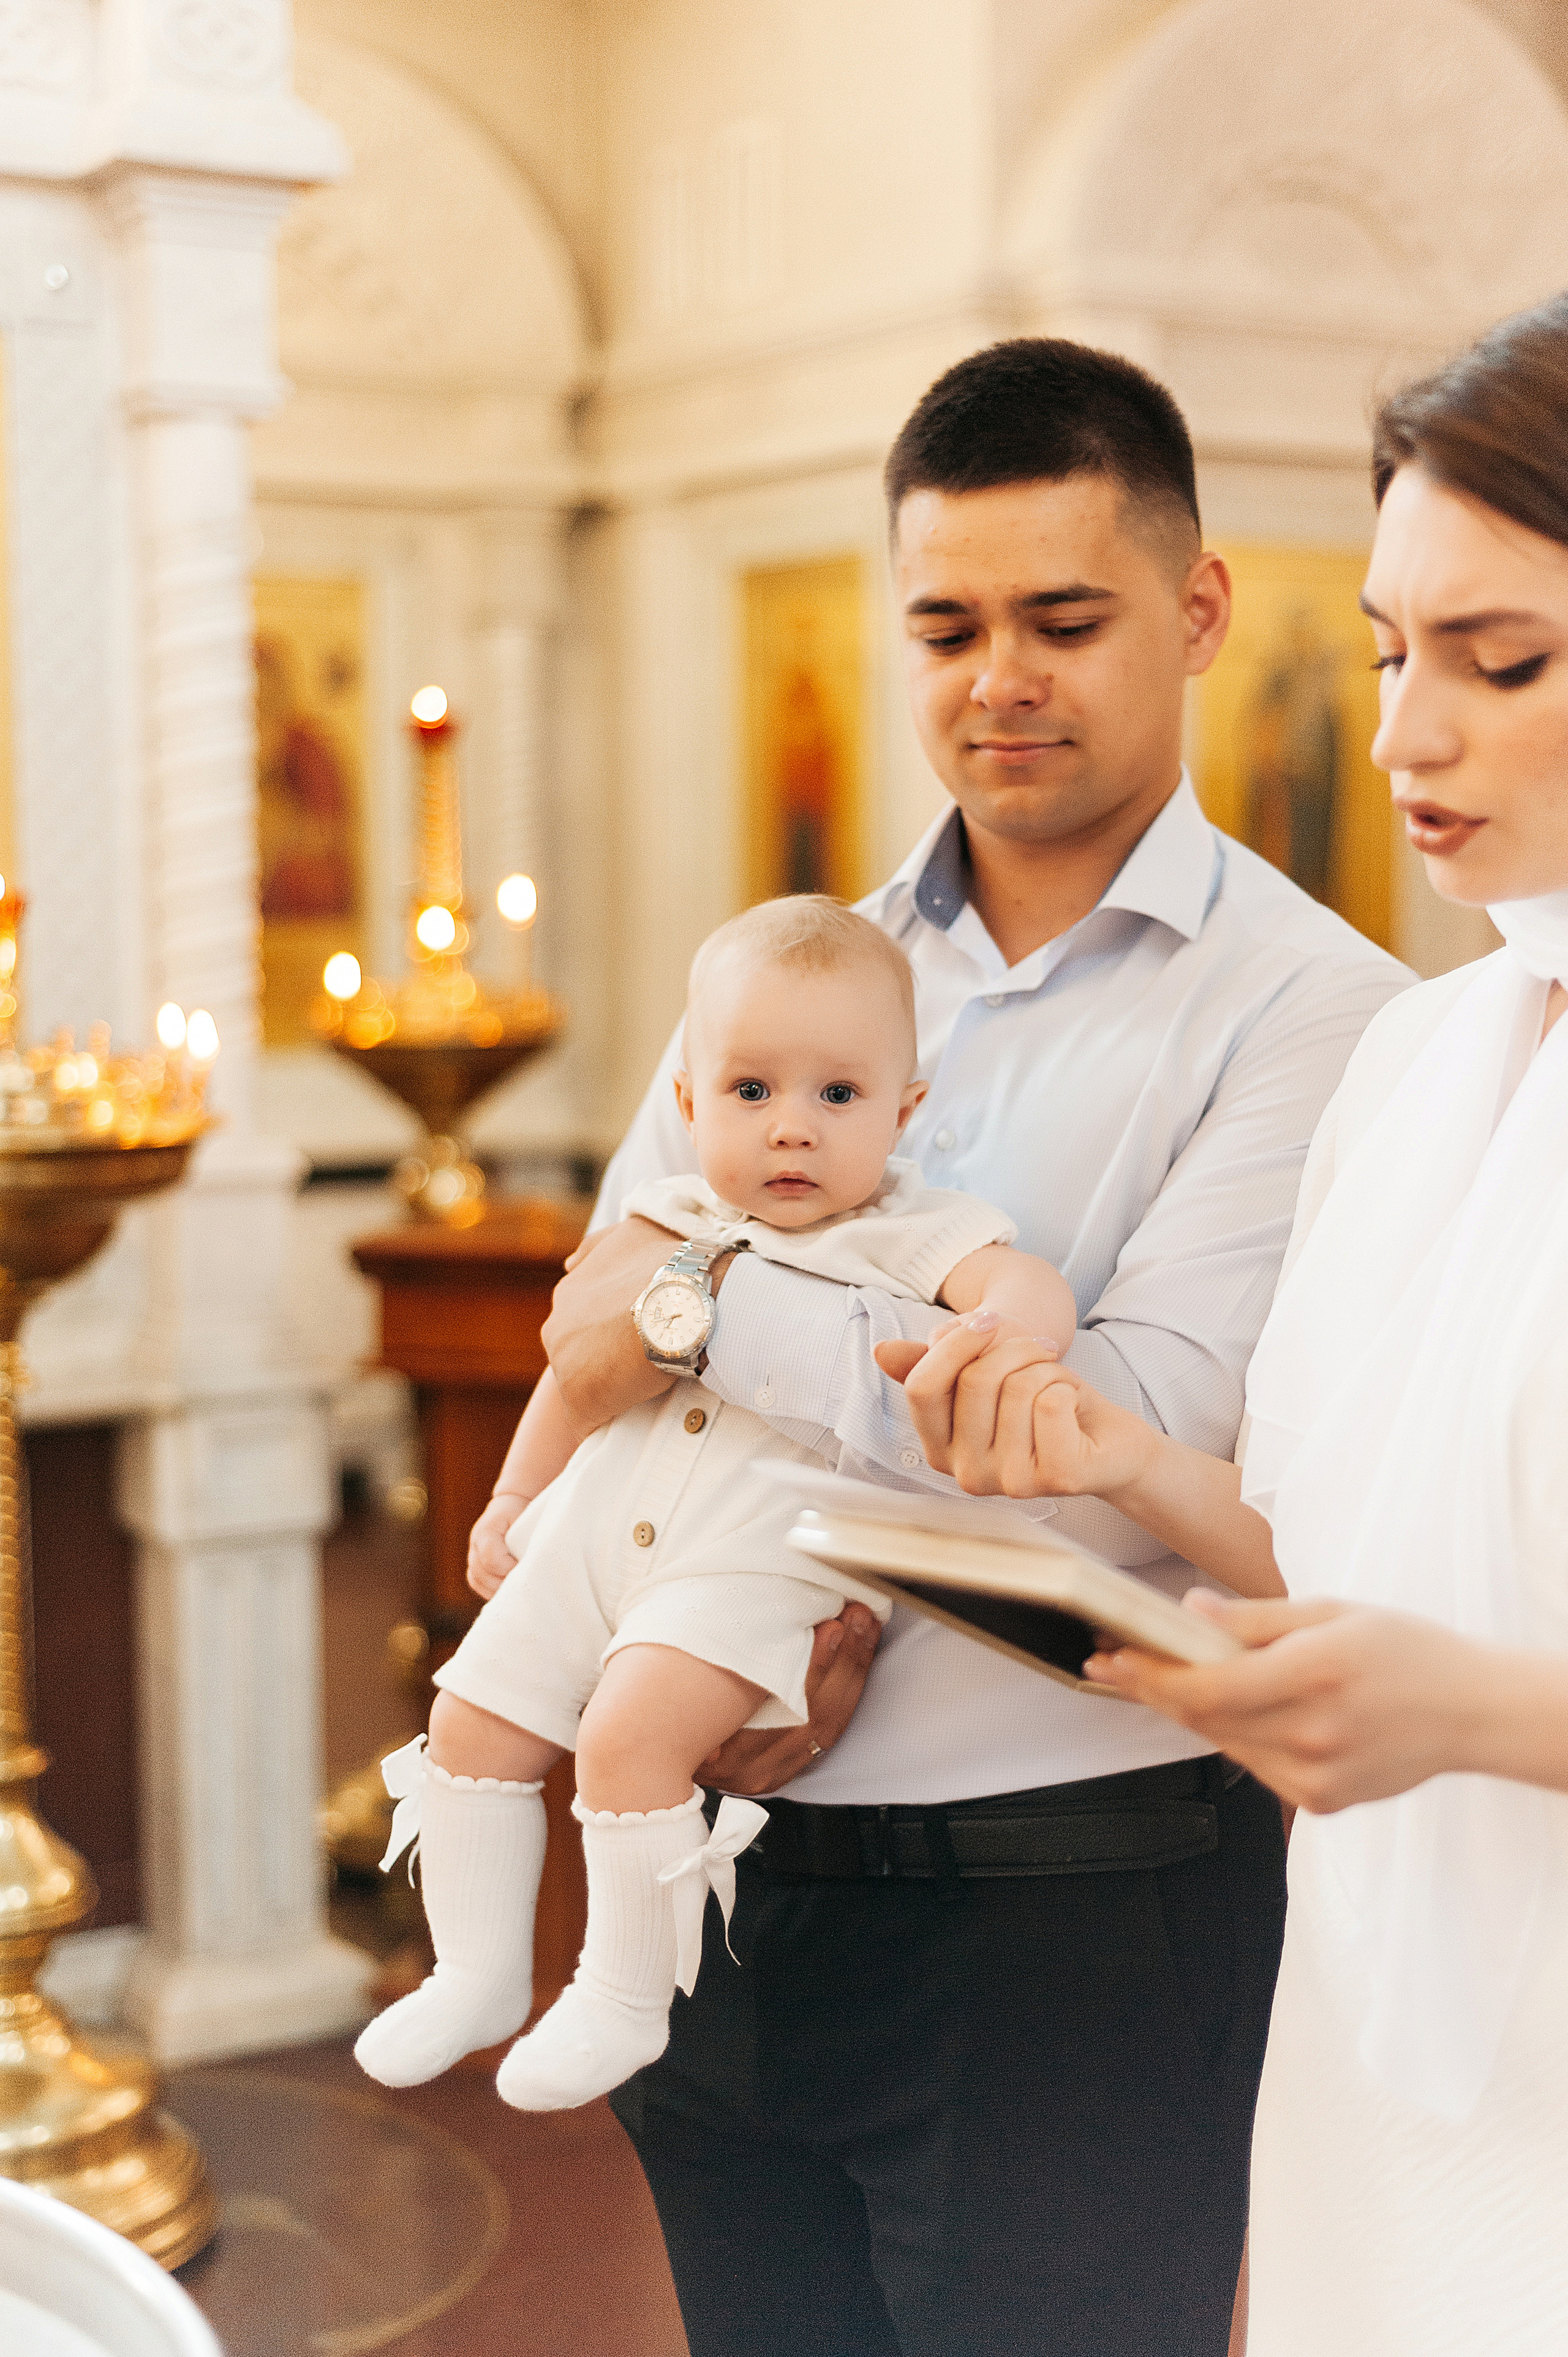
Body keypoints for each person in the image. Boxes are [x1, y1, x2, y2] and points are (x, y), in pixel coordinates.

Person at [487, 339, 1409, 2357]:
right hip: (731, 1867)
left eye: (1063, 621)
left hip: (1071, 1914)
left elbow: (1113, 1430)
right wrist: (695, 1406)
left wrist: (707, 1314)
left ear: (1198, 609)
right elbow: (595, 1323)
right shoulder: (794, 962)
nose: (1000, 677)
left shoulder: (1320, 1012)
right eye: (946, 626)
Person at [894, 298, 1568, 2355]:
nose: (1405, 738)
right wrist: (1123, 1474)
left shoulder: (1322, 1013)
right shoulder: (1425, 1061)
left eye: (1503, 661)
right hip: (1377, 2037)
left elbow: (1461, 1667)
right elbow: (1324, 1551)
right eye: (1388, 652)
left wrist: (1484, 1714)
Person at [355, 895, 1074, 2112]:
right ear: (688, 1103)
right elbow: (571, 1373)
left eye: (837, 1095)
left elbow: (1021, 1281)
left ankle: (623, 1994)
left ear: (904, 1113)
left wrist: (1014, 1337)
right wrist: (517, 1491)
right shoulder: (669, 1219)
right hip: (594, 1534)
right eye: (751, 1090)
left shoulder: (906, 1232)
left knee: (627, 1740)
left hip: (750, 1561)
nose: (791, 1126)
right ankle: (474, 1971)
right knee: (470, 1714)